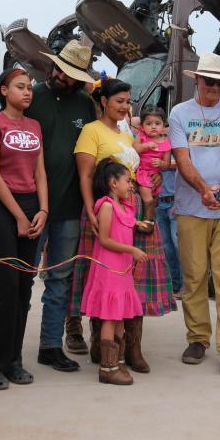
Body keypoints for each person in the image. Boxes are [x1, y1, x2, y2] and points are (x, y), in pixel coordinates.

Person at [70, 79, 175, 374]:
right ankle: (99, 345)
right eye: (119, 101)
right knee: (106, 276)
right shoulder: (92, 131)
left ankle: (133, 347)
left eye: (128, 102)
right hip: (104, 211)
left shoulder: (127, 131)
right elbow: (86, 176)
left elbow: (140, 167)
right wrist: (91, 211)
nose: (124, 107)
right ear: (103, 101)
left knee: (135, 277)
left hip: (134, 208)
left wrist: (154, 177)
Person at [168, 53, 220, 376]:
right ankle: (198, 338)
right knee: (194, 275)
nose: (215, 88)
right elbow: (182, 156)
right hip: (192, 207)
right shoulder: (180, 113)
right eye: (210, 82)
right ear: (197, 80)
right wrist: (204, 188)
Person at [24, 40, 96, 369]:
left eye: (70, 75)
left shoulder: (85, 103)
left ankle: (50, 346)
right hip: (29, 205)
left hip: (68, 207)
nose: (61, 77)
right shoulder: (30, 96)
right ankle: (9, 346)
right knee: (22, 277)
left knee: (59, 279)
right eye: (59, 69)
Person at [0, 69, 48, 390]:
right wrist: (19, 215)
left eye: (29, 87)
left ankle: (14, 360)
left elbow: (40, 171)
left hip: (31, 205)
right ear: (4, 90)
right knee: (6, 286)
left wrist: (43, 209)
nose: (27, 92)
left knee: (23, 288)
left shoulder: (34, 125)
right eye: (20, 87)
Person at [81, 159, 146, 385]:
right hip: (109, 269)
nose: (131, 185)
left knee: (119, 317)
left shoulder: (123, 206)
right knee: (110, 318)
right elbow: (105, 239)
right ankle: (107, 368)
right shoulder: (107, 205)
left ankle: (116, 362)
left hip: (122, 270)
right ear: (112, 182)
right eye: (127, 181)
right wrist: (132, 250)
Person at [134, 106, 172, 232]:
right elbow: (133, 150)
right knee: (146, 194)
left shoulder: (166, 143)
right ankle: (148, 219)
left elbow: (167, 164)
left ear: (164, 125)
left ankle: (148, 217)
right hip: (142, 172)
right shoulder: (141, 137)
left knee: (152, 195)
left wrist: (161, 163)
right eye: (149, 124)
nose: (153, 126)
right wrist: (145, 146)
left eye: (157, 123)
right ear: (142, 126)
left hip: (154, 175)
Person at [156, 123, 182, 296]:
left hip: (174, 203)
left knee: (178, 244)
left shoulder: (178, 152)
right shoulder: (152, 151)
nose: (161, 131)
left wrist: (179, 202)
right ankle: (174, 285)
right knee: (166, 246)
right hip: (158, 203)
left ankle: (186, 285)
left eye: (163, 126)